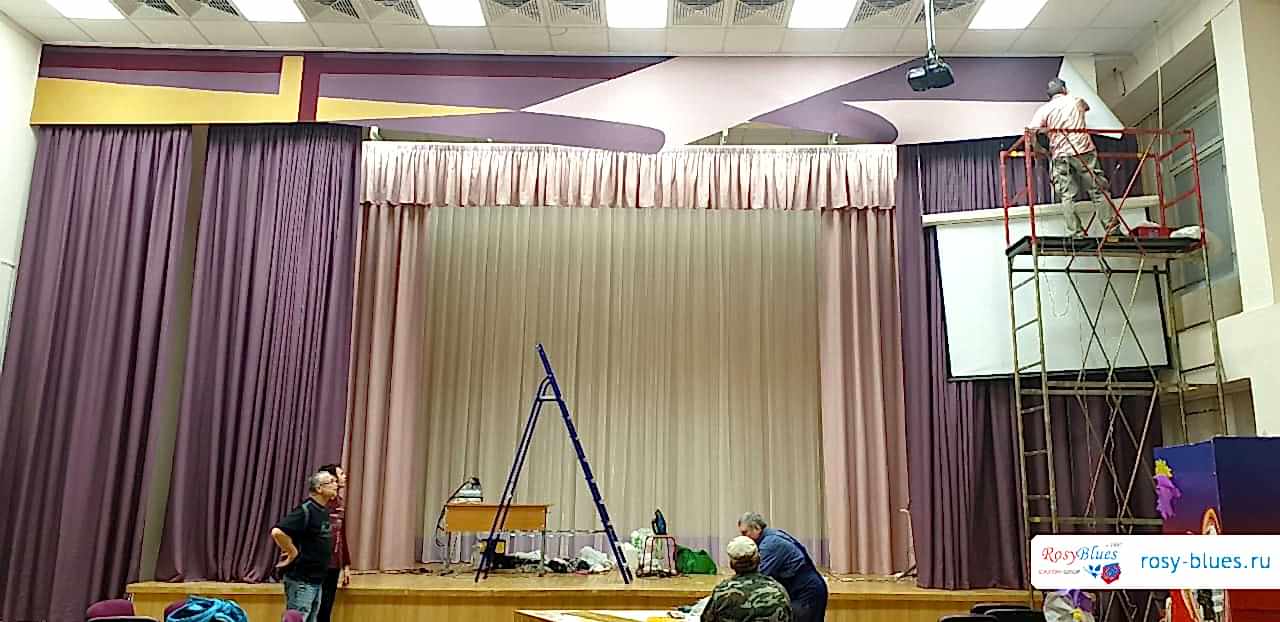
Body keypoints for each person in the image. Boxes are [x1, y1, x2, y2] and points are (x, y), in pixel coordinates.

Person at [1029, 77, 1114, 237]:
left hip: (1060, 155)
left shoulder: (1044, 109)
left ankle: (1075, 233)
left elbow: (1030, 132)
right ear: (1064, 89)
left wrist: (1039, 149)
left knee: (1067, 196)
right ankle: (1111, 229)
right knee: (1098, 190)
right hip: (1083, 151)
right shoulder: (1076, 101)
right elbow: (1086, 107)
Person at [271, 471, 338, 622]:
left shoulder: (323, 510)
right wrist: (292, 552)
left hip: (316, 580)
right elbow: (277, 532)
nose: (336, 485)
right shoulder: (305, 510)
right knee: (297, 618)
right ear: (319, 488)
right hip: (301, 580)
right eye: (331, 482)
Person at [738, 513, 827, 622]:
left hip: (806, 591)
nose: (743, 538)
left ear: (757, 528)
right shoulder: (772, 536)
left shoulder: (770, 544)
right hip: (803, 587)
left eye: (745, 533)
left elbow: (758, 577)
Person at [702, 536, 792, 622]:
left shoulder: (722, 592)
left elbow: (706, 619)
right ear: (759, 559)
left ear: (731, 565)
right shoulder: (778, 590)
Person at [315, 464, 352, 622]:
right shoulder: (318, 505)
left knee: (327, 605)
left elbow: (341, 535)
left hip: (334, 562)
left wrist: (346, 565)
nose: (344, 477)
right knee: (314, 606)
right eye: (341, 474)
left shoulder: (340, 503)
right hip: (318, 562)